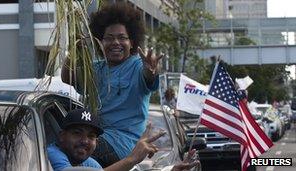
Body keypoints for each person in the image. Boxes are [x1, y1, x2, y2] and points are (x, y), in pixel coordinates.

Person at [61, 2, 163, 167]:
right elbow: (68, 78)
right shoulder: (96, 68)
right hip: (96, 137)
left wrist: (151, 70)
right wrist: (75, 49)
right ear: (100, 42)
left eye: (122, 38)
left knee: (68, 150)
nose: (116, 42)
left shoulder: (137, 66)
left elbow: (148, 78)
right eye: (109, 38)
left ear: (132, 43)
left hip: (123, 143)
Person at [47, 108, 198, 171]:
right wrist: (131, 159)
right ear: (61, 136)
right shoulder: (51, 153)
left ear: (97, 142)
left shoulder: (88, 163)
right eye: (77, 133)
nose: (85, 141)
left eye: (91, 136)